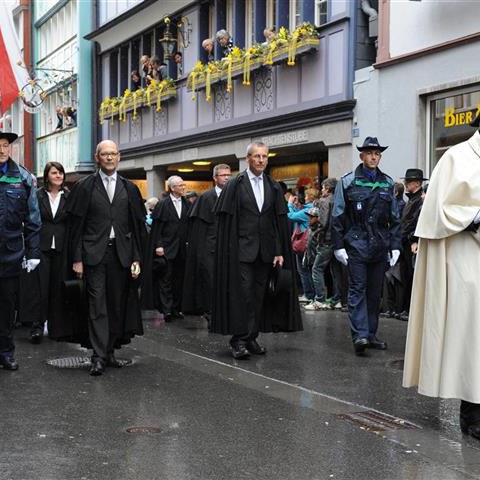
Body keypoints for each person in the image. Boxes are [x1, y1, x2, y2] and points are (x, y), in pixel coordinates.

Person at [403, 113, 480, 440]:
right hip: (466, 257)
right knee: (471, 336)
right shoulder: (456, 158)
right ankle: (473, 411)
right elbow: (439, 209)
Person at [211, 142, 302, 359]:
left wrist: (279, 250)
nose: (261, 160)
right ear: (248, 158)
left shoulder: (272, 185)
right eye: (257, 156)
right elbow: (226, 222)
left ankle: (251, 337)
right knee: (243, 295)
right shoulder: (235, 184)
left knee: (259, 296)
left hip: (266, 252)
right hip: (241, 251)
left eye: (264, 157)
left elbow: (275, 222)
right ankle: (238, 339)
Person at [67, 140, 146, 376]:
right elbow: (76, 227)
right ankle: (98, 356)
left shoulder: (129, 188)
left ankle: (110, 351)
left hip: (122, 255)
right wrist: (77, 258)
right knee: (97, 305)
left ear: (119, 157)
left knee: (116, 305)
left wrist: (136, 258)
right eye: (105, 154)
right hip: (94, 255)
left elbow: (136, 228)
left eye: (113, 154)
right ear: (97, 157)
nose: (110, 158)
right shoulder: (84, 187)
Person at [331, 136, 401, 356]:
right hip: (357, 244)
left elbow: (395, 219)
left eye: (377, 153)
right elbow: (338, 215)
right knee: (357, 290)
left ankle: (370, 334)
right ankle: (359, 334)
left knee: (374, 294)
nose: (374, 157)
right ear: (362, 156)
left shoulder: (388, 183)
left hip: (379, 246)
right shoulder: (348, 181)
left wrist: (395, 246)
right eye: (370, 153)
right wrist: (338, 246)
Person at [0, 130, 41, 370]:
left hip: (11, 254)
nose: (2, 150)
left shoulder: (23, 178)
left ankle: (5, 352)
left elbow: (34, 220)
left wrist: (33, 253)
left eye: (5, 145)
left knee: (7, 306)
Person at [183, 164, 232, 322]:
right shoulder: (206, 197)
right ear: (215, 178)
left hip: (231, 248)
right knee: (210, 282)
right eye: (222, 175)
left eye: (228, 174)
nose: (226, 177)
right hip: (210, 248)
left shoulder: (235, 195)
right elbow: (199, 228)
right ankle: (211, 314)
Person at [29, 162, 69, 344]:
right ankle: (37, 327)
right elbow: (31, 221)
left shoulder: (69, 196)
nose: (58, 176)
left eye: (61, 173)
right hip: (42, 247)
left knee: (58, 288)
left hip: (62, 247)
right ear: (47, 176)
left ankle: (57, 328)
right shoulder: (37, 196)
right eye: (54, 173)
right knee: (40, 288)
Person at [148, 176, 189, 322]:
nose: (183, 187)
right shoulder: (163, 204)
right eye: (180, 185)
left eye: (183, 185)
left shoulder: (186, 203)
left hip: (182, 249)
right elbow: (157, 227)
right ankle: (166, 310)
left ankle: (176, 308)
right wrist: (158, 245)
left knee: (179, 279)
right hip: (167, 248)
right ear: (172, 188)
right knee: (166, 279)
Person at [305, 178, 337, 311]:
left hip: (326, 240)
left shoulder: (325, 201)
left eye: (323, 187)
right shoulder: (337, 200)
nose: (322, 190)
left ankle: (320, 299)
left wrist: (315, 233)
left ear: (328, 188)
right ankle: (336, 298)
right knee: (334, 272)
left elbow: (323, 223)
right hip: (336, 240)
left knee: (316, 269)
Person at [399, 168, 427, 317]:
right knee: (406, 276)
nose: (405, 184)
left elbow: (417, 222)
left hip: (412, 243)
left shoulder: (420, 200)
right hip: (406, 242)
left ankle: (410, 309)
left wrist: (413, 239)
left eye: (407, 181)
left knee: (411, 277)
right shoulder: (412, 199)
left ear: (416, 183)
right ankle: (406, 308)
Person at [287, 188, 320, 303]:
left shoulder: (308, 210)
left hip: (303, 244)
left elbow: (290, 216)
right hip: (310, 243)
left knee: (303, 270)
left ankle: (309, 294)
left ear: (310, 197)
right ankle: (311, 294)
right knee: (308, 269)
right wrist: (295, 206)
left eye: (306, 196)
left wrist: (290, 204)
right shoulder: (313, 209)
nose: (304, 198)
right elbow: (297, 215)